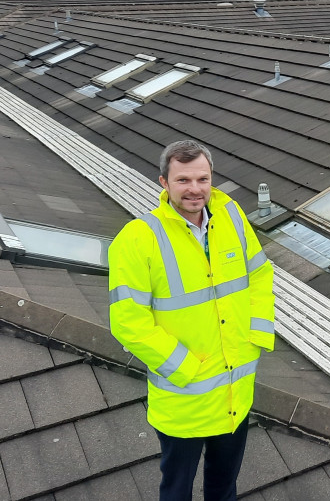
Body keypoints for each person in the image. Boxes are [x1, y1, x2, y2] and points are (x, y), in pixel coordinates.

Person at [108, 140, 275, 500]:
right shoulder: (138, 238)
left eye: (203, 179)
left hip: (235, 392)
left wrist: (257, 334)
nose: (195, 189)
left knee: (223, 488)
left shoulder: (231, 216)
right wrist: (185, 367)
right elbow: (127, 322)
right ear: (164, 183)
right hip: (184, 402)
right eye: (183, 180)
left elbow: (260, 275)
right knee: (177, 490)